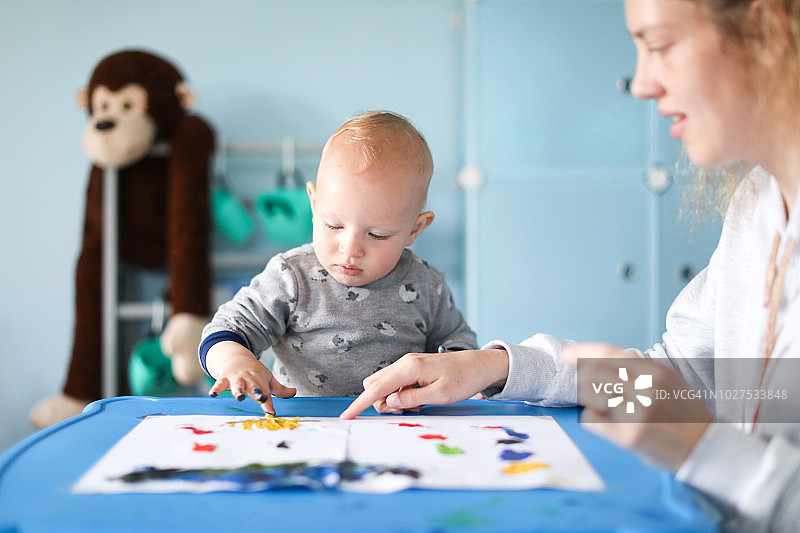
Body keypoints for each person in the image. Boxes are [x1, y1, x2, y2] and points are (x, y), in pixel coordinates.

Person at [341, 1, 800, 530]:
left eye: (660, 45)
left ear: (767, 30)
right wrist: (497, 367)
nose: (641, 84)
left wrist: (703, 451)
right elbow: (688, 375)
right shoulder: (758, 202)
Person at [201, 111, 477, 415]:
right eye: (334, 225)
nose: (351, 249)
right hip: (303, 424)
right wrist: (234, 361)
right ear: (314, 203)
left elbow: (459, 347)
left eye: (377, 234)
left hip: (398, 426)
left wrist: (448, 363)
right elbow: (226, 329)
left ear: (415, 228)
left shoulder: (427, 284)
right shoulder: (291, 276)